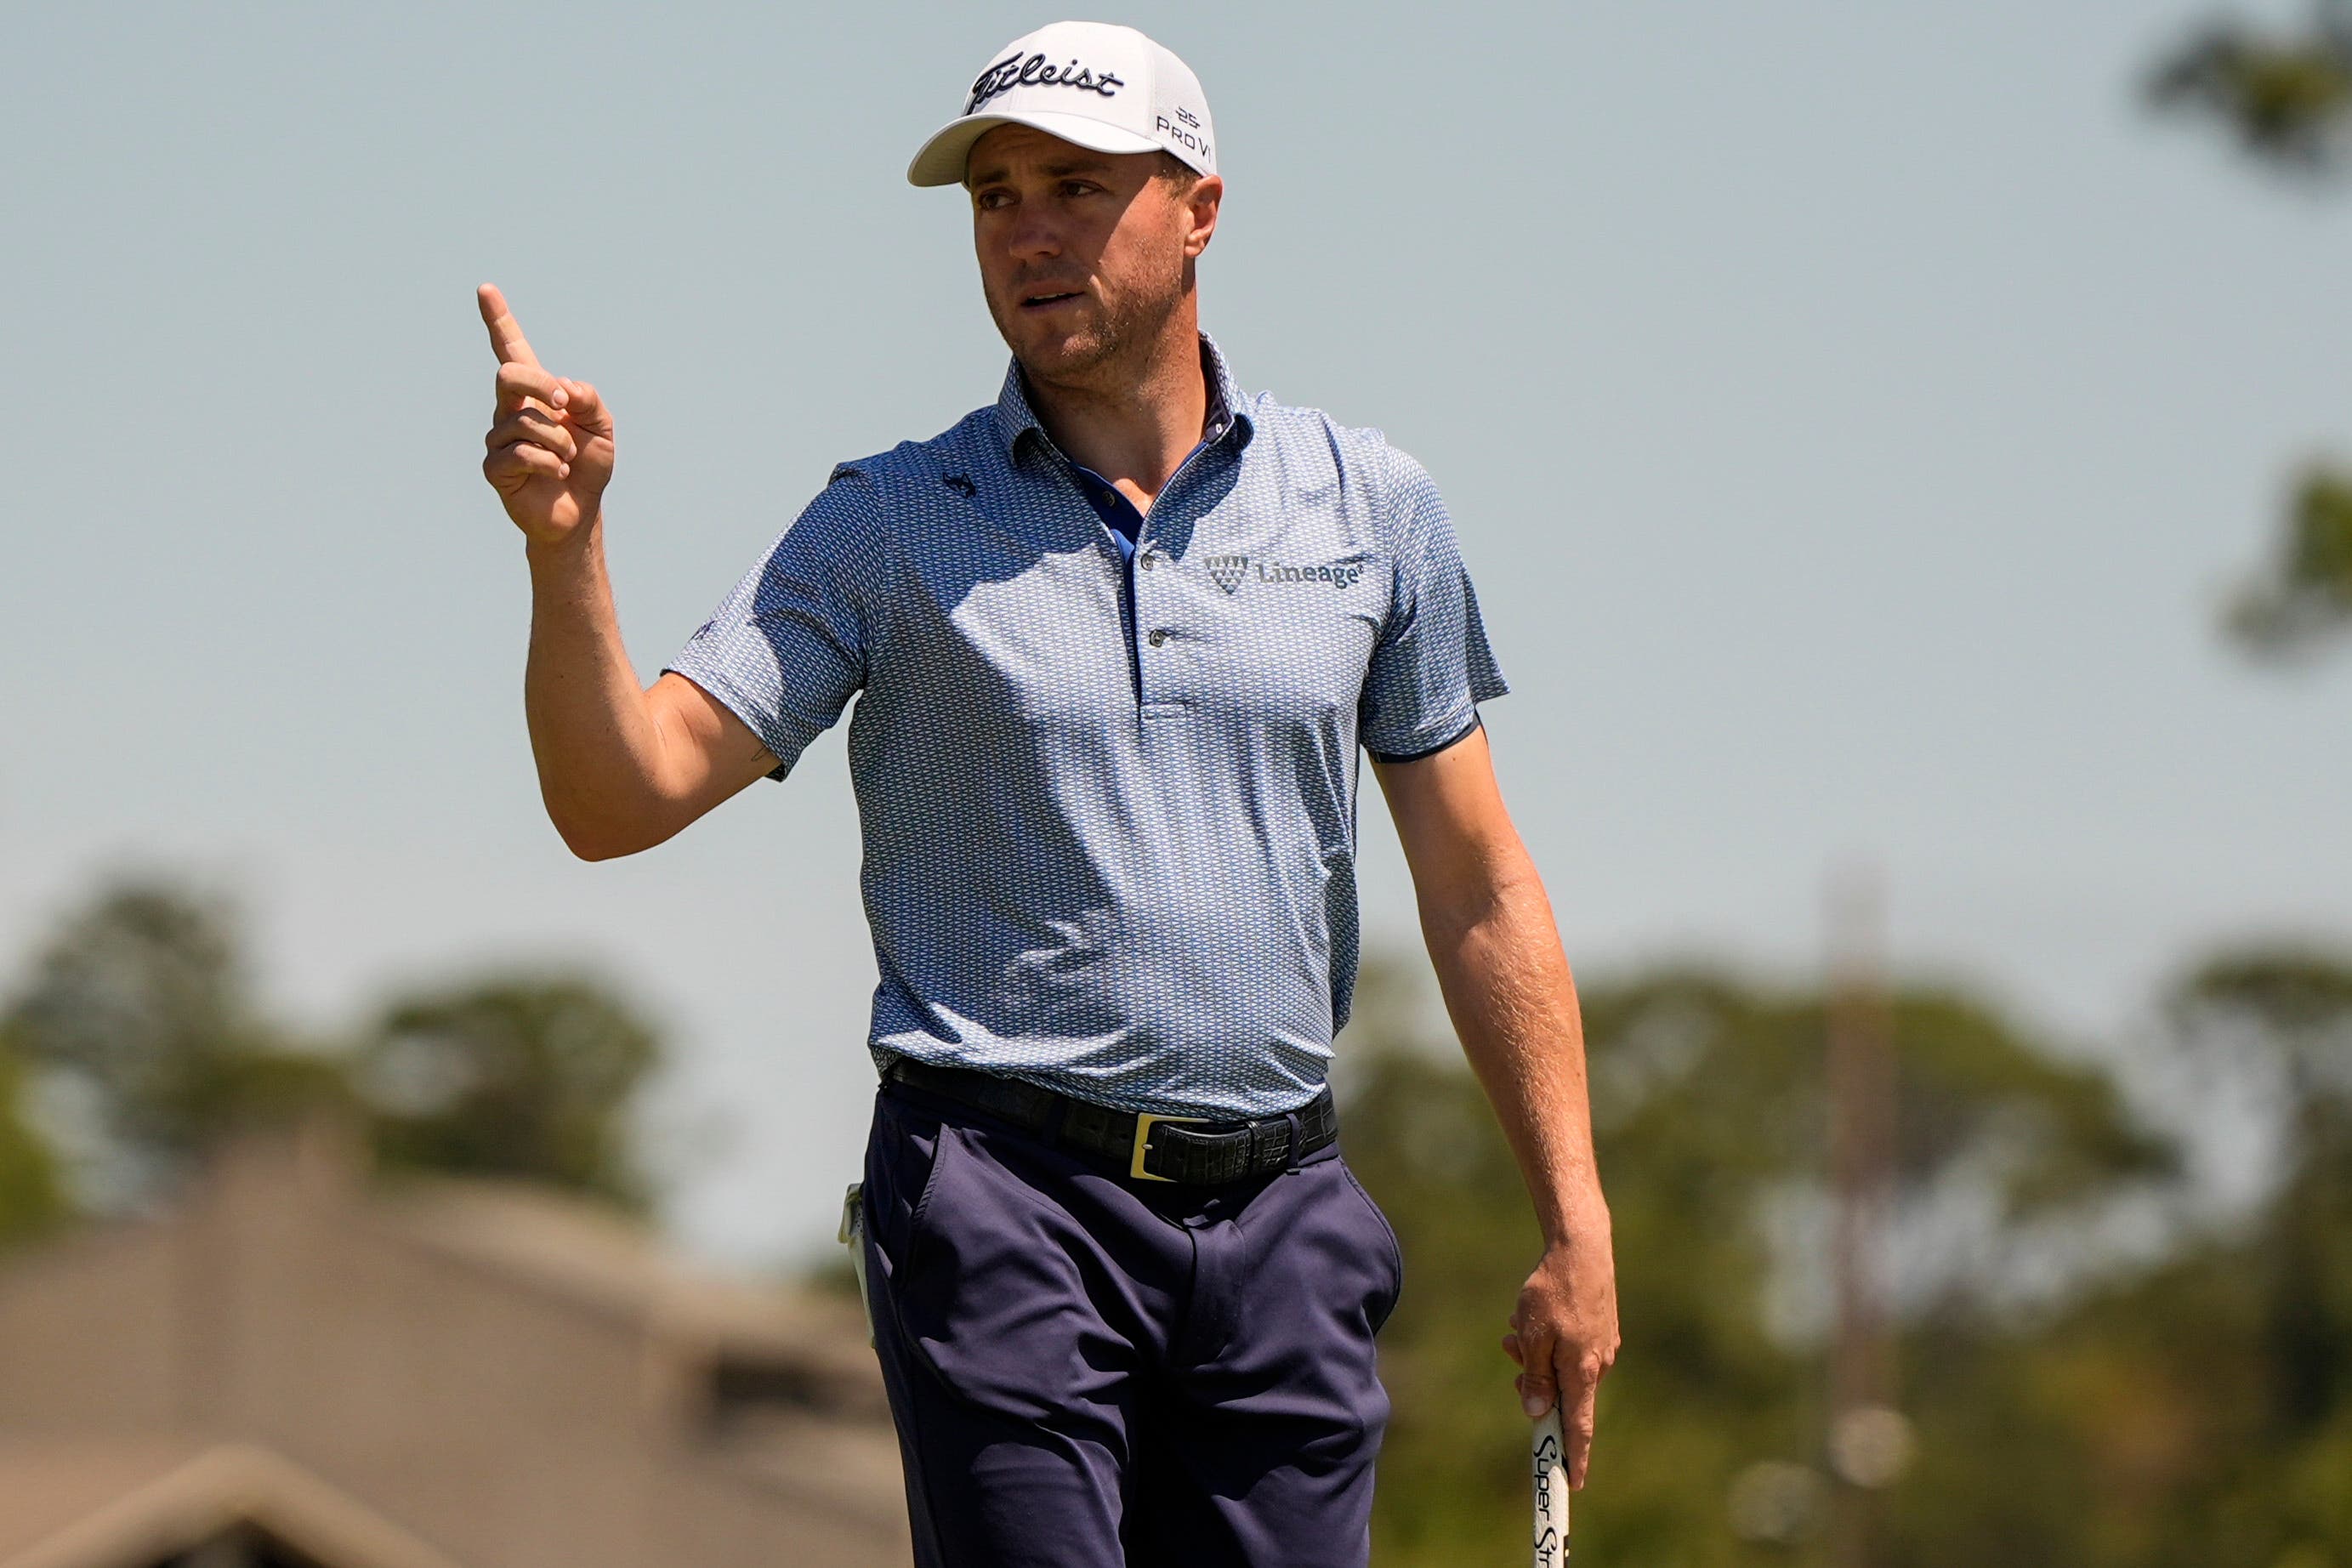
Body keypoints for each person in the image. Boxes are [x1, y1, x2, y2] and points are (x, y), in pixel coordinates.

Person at [474, 20, 1616, 1567]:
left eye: (1075, 185)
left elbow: (1478, 881)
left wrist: (1574, 1217)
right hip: (1002, 1201)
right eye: (994, 196)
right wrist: (566, 551)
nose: (1026, 229)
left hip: (1285, 1218)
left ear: (1198, 206)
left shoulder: (1367, 507)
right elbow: (622, 796)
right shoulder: (885, 522)